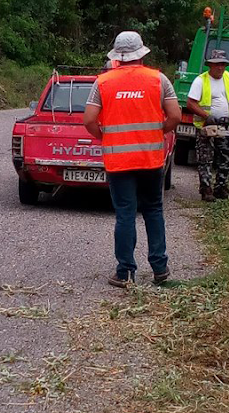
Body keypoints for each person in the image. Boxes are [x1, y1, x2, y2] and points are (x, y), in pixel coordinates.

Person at [84, 31, 182, 288]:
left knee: (125, 213)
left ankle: (125, 271)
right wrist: (158, 131)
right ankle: (160, 268)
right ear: (141, 53)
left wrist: (104, 137)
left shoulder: (102, 83)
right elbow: (174, 116)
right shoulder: (159, 80)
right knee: (153, 210)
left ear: (117, 56)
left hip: (119, 162)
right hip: (150, 159)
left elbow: (89, 120)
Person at [186, 49, 229, 202]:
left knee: (225, 157)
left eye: (223, 64)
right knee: (205, 158)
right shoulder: (200, 81)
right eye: (217, 64)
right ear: (210, 65)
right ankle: (206, 189)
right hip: (206, 125)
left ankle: (221, 187)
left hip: (224, 124)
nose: (220, 68)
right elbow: (190, 103)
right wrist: (207, 116)